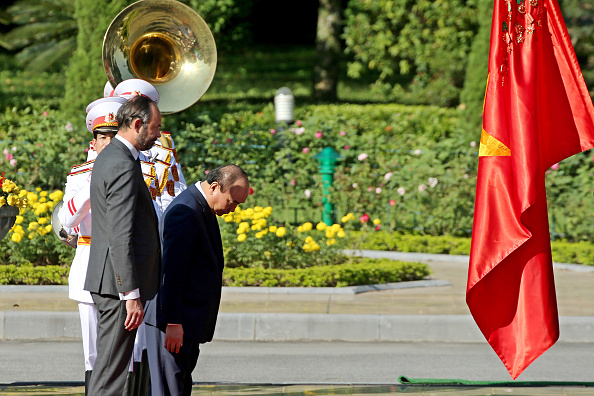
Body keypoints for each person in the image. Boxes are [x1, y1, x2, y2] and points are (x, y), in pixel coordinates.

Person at [145, 165, 250, 396]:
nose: (233, 209)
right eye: (232, 201)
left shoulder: (202, 207)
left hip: (184, 323)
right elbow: (171, 272)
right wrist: (172, 322)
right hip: (172, 323)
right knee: (168, 389)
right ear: (214, 187)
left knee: (178, 386)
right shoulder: (187, 211)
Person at [85, 95, 162, 395]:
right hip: (117, 286)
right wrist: (130, 293)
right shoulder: (121, 163)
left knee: (109, 367)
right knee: (112, 372)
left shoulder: (113, 155)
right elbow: (120, 233)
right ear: (138, 124)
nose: (157, 134)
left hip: (110, 281)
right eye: (155, 128)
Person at [58, 100, 123, 394]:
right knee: (93, 352)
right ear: (93, 142)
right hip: (88, 258)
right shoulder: (79, 175)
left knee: (127, 351)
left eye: (114, 136)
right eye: (103, 137)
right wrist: (94, 181)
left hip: (124, 264)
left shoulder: (135, 170)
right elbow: (69, 218)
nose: (108, 143)